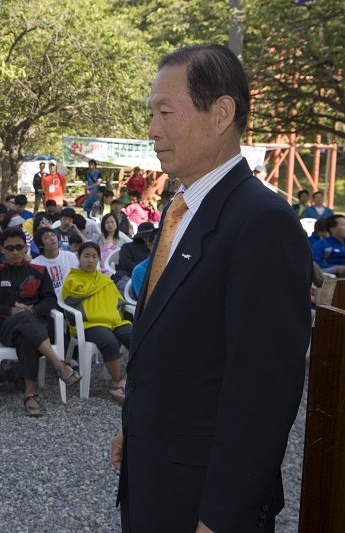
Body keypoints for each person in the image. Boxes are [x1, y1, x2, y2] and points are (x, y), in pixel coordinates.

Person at [110, 45, 311, 532]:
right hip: (156, 476)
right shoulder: (184, 207)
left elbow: (263, 392)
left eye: (165, 112)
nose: (152, 130)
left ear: (221, 113)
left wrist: (221, 517)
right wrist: (136, 430)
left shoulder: (261, 222)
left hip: (201, 500)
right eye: (150, 114)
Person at [0, 228, 80, 417]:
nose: (15, 252)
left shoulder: (39, 271)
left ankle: (30, 396)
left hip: (38, 325)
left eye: (19, 247)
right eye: (10, 248)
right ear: (2, 249)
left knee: (27, 337)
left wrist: (34, 310)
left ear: (26, 247)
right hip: (8, 327)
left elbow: (50, 299)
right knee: (22, 317)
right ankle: (60, 365)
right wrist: (11, 310)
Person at [61, 241, 131, 401]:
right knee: (109, 341)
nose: (90, 260)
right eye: (86, 256)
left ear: (99, 259)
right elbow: (68, 303)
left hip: (113, 322)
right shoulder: (72, 280)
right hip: (90, 324)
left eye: (94, 256)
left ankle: (125, 382)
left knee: (139, 338)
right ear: (79, 258)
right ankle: (118, 381)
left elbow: (117, 300)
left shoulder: (104, 279)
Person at [111, 222, 156, 294]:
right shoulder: (127, 247)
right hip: (127, 278)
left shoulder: (154, 248)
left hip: (148, 279)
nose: (147, 239)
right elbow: (126, 265)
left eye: (151, 237)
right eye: (146, 236)